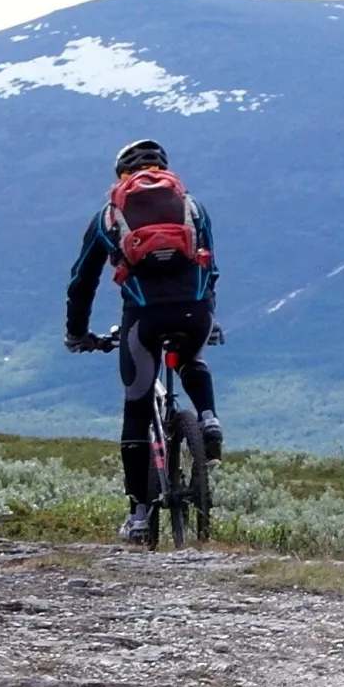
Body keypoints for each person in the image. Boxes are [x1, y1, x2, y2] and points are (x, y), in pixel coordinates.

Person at [65, 139, 222, 543]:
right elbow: (211, 267)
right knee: (191, 357)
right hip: (196, 310)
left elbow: (82, 281)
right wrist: (210, 317)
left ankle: (138, 514)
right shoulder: (192, 206)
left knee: (137, 407)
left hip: (144, 318)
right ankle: (207, 418)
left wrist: (78, 333)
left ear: (121, 175)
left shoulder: (109, 216)